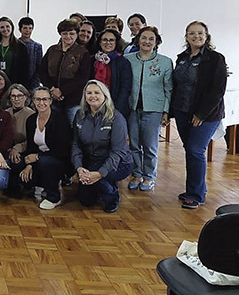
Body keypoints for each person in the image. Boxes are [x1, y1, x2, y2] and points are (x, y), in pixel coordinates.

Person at [171, 21, 227, 210]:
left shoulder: (215, 59)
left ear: (206, 35)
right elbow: (176, 86)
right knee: (191, 151)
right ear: (186, 36)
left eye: (200, 33)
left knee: (196, 150)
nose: (196, 36)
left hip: (206, 114)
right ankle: (195, 189)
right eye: (192, 33)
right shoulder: (182, 58)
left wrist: (201, 114)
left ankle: (195, 195)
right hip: (182, 110)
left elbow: (217, 90)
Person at [72, 80, 131, 213]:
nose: (93, 96)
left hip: (119, 162)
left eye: (97, 92)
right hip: (92, 160)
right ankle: (100, 186)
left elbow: (118, 151)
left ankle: (112, 197)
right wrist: (79, 167)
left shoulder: (116, 117)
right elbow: (76, 143)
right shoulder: (80, 115)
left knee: (100, 180)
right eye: (89, 93)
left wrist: (100, 173)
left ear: (105, 95)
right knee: (85, 201)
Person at [125, 26, 172, 192]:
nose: (147, 41)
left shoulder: (165, 62)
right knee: (134, 144)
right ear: (138, 39)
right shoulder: (128, 59)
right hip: (132, 107)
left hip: (154, 108)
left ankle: (149, 176)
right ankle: (136, 174)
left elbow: (169, 88)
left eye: (151, 39)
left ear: (156, 42)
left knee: (150, 146)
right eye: (144, 38)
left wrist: (166, 111)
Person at [19, 87, 72, 210]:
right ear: (32, 101)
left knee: (45, 162)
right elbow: (31, 146)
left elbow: (63, 150)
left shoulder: (60, 120)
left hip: (59, 159)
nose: (41, 103)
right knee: (19, 163)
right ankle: (40, 184)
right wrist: (29, 165)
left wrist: (37, 157)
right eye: (37, 99)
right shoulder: (31, 120)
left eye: (45, 99)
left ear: (51, 101)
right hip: (40, 158)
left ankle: (54, 197)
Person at [38, 18, 91, 123]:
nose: (68, 37)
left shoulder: (82, 52)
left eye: (71, 33)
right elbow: (42, 71)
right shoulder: (52, 50)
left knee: (73, 131)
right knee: (53, 128)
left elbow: (82, 78)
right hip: (52, 98)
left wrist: (62, 91)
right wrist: (52, 89)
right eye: (64, 33)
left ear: (76, 34)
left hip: (73, 100)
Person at [90, 29, 132, 119]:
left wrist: (115, 108)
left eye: (111, 40)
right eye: (105, 40)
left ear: (116, 42)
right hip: (94, 105)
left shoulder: (122, 62)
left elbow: (126, 87)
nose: (108, 42)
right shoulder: (92, 60)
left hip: (116, 107)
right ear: (100, 42)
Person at [6, 84, 36, 193]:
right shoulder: (5, 113)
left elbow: (34, 140)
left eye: (19, 96)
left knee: (17, 161)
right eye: (13, 96)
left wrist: (17, 148)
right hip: (7, 149)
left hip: (25, 151)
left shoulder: (31, 115)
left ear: (25, 97)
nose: (16, 99)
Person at [0, 17, 30, 87]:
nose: (5, 29)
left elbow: (25, 70)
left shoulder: (21, 46)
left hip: (14, 83)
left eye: (7, 26)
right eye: (2, 27)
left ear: (12, 27)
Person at [18, 16, 43, 89]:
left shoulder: (37, 46)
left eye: (30, 28)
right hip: (17, 82)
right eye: (25, 28)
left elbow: (39, 68)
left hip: (33, 84)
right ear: (20, 29)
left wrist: (34, 85)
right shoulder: (14, 44)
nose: (27, 31)